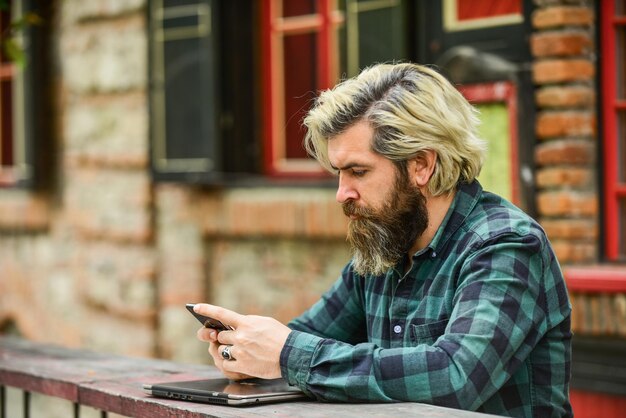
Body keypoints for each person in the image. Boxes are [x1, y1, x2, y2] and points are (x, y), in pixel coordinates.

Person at [194, 62, 573, 417]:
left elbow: (456, 376)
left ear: (422, 165)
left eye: (357, 171)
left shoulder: (505, 245)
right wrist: (248, 353)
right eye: (339, 174)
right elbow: (305, 339)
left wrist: (287, 354)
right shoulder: (386, 245)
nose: (342, 193)